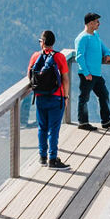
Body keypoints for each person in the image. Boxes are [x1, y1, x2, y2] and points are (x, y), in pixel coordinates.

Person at [28, 30, 70, 168]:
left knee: (42, 128)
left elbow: (30, 74)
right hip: (56, 98)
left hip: (40, 98)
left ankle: (42, 157)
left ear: (43, 42)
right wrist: (66, 96)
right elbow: (65, 79)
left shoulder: (35, 56)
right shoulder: (60, 57)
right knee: (54, 129)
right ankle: (52, 159)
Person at [73, 12, 110, 131]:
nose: (99, 24)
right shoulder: (82, 38)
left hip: (97, 73)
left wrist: (108, 54)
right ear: (90, 23)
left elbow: (103, 47)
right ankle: (83, 122)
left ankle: (106, 120)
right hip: (87, 74)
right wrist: (86, 72)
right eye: (97, 22)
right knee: (84, 98)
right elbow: (79, 56)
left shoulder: (96, 35)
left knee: (104, 95)